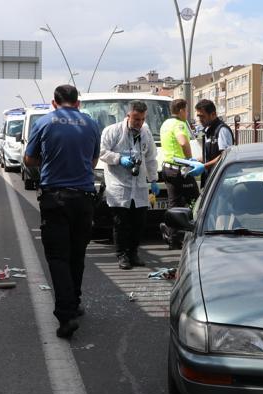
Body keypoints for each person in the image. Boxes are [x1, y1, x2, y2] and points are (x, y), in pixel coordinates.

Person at [24, 85, 100, 339]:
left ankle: (65, 315)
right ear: (77, 103)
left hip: (55, 199)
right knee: (77, 254)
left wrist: (51, 161)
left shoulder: (45, 122)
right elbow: (93, 161)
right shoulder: (91, 124)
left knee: (58, 257)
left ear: (54, 103)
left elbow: (29, 160)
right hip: (84, 198)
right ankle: (75, 302)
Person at [99, 101, 159, 270]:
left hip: (139, 185)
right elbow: (102, 153)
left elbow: (151, 157)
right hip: (119, 184)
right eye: (136, 119)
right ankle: (122, 255)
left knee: (139, 223)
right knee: (121, 223)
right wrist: (119, 159)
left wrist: (153, 179)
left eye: (142, 119)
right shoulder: (112, 131)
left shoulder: (145, 132)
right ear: (128, 115)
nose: (139, 123)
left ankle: (133, 253)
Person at [158, 99, 204, 249]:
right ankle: (196, 233)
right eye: (186, 110)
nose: (187, 114)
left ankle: (172, 236)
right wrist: (189, 160)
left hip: (167, 168)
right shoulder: (179, 124)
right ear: (181, 111)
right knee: (195, 201)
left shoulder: (165, 124)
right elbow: (183, 142)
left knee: (174, 203)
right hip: (179, 169)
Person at [195, 99, 233, 188]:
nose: (200, 120)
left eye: (202, 116)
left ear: (213, 114)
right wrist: (198, 160)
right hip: (211, 178)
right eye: (198, 116)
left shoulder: (221, 130)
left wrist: (204, 166)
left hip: (221, 180)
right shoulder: (208, 130)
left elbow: (224, 156)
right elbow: (211, 154)